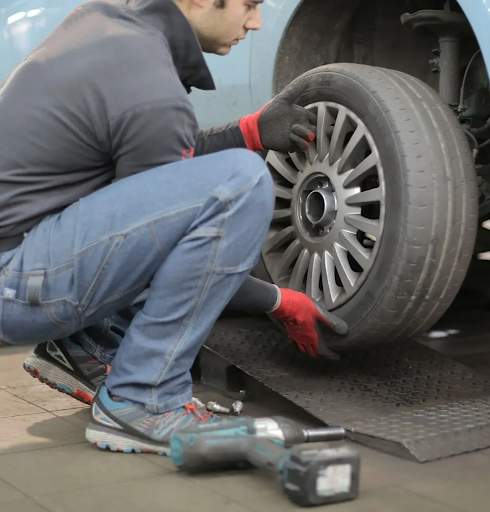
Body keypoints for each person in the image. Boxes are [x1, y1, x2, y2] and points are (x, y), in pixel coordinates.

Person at [0, 0, 348, 456]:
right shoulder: (149, 84)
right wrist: (279, 300)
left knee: (198, 184)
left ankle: (87, 343)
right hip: (18, 286)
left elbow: (150, 170)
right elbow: (164, 242)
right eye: (249, 4)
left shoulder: (109, 29)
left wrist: (248, 131)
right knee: (240, 183)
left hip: (22, 257)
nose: (255, 22)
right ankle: (145, 397)